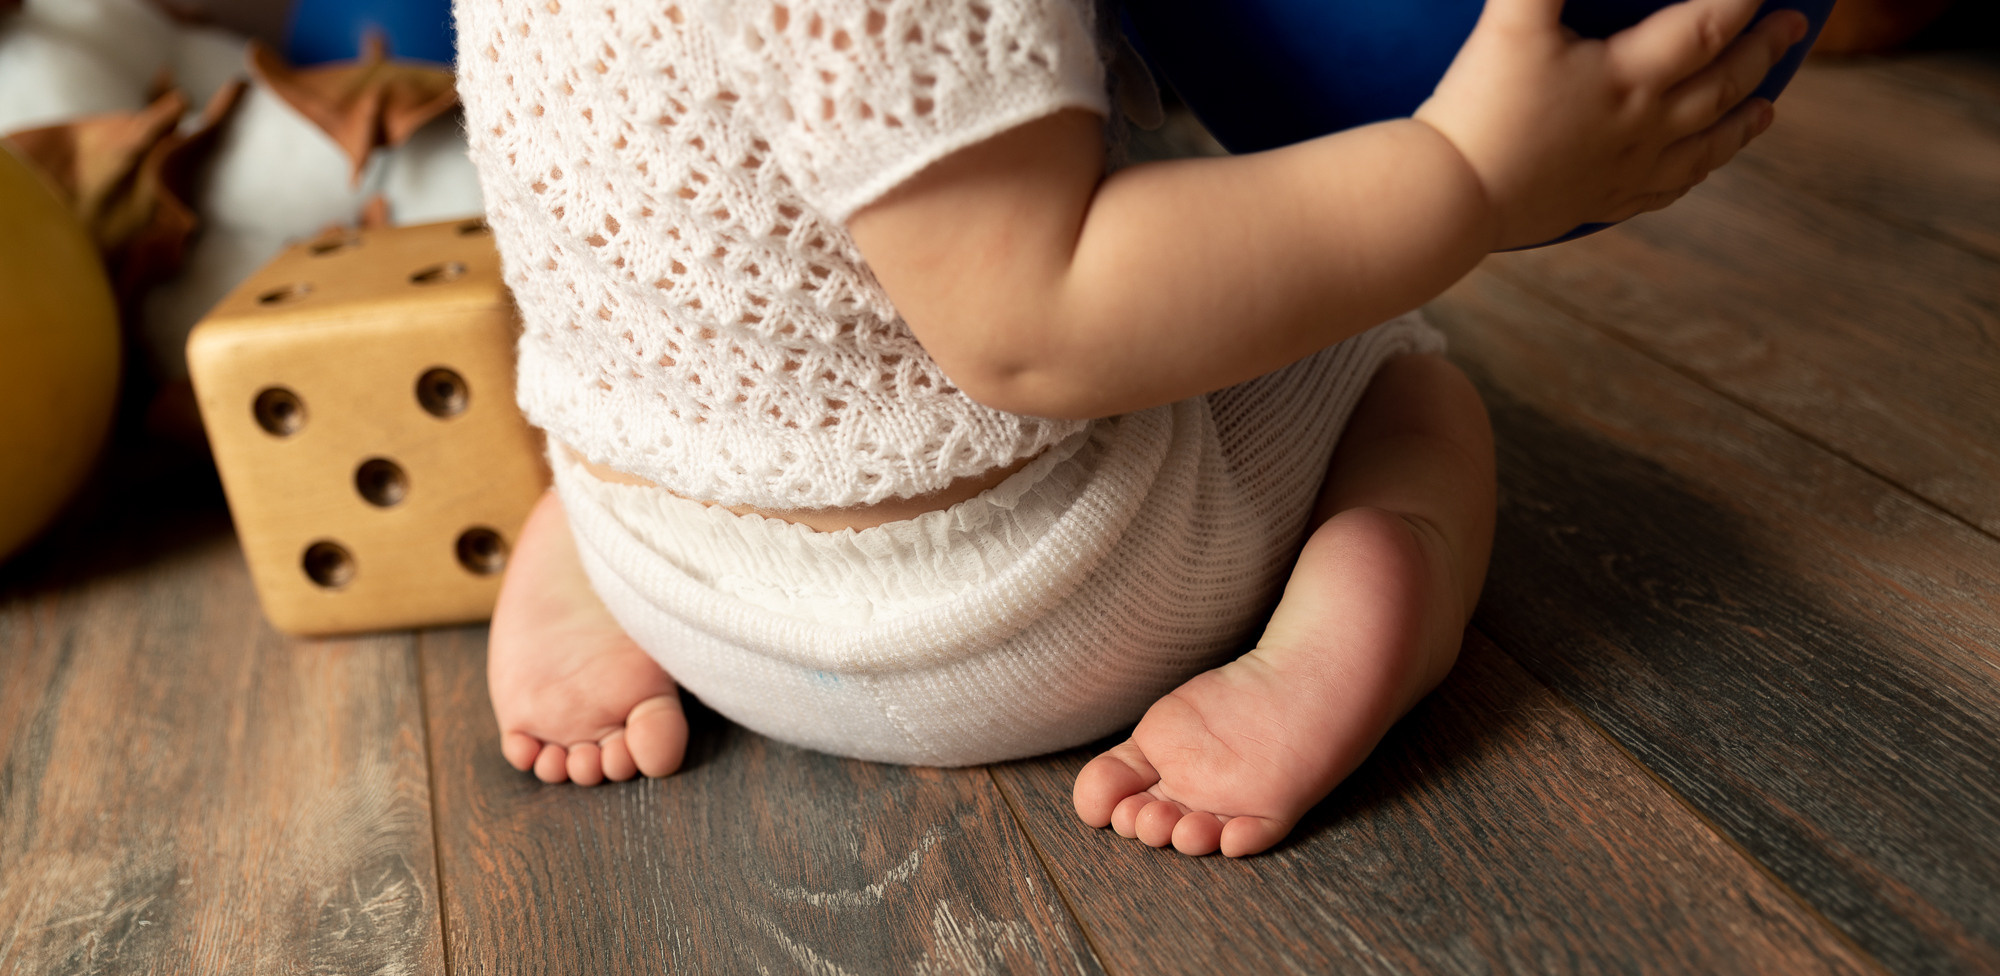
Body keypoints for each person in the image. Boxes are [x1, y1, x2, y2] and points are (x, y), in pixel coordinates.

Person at [454, 0, 1810, 856]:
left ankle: (580, 560)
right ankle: (1358, 608)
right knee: (1405, 382)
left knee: (698, 312)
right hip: (1030, 602)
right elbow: (1030, 321)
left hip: (667, 547)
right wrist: (1471, 174)